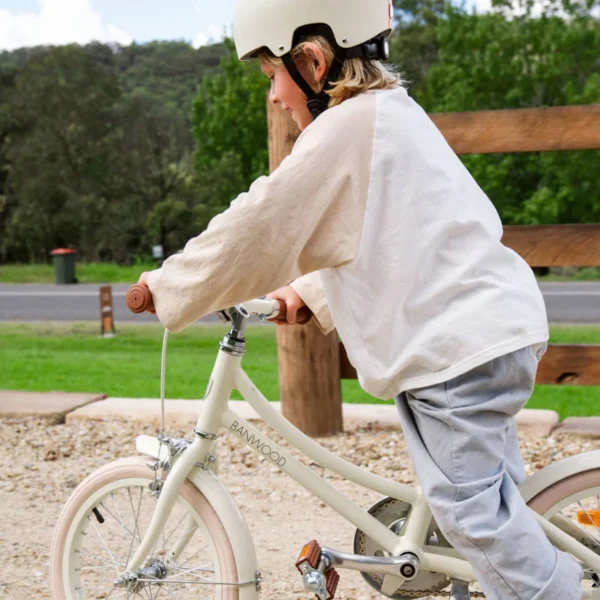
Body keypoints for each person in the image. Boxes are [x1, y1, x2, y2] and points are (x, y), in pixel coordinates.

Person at [137, 1, 583, 598]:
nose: (274, 96)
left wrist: (170, 286)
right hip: (488, 333)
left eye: (272, 75)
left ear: (312, 62)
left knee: (472, 517)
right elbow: (391, 238)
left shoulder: (343, 130)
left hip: (457, 352)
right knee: (491, 509)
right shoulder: (394, 115)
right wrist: (308, 292)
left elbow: (260, 225)